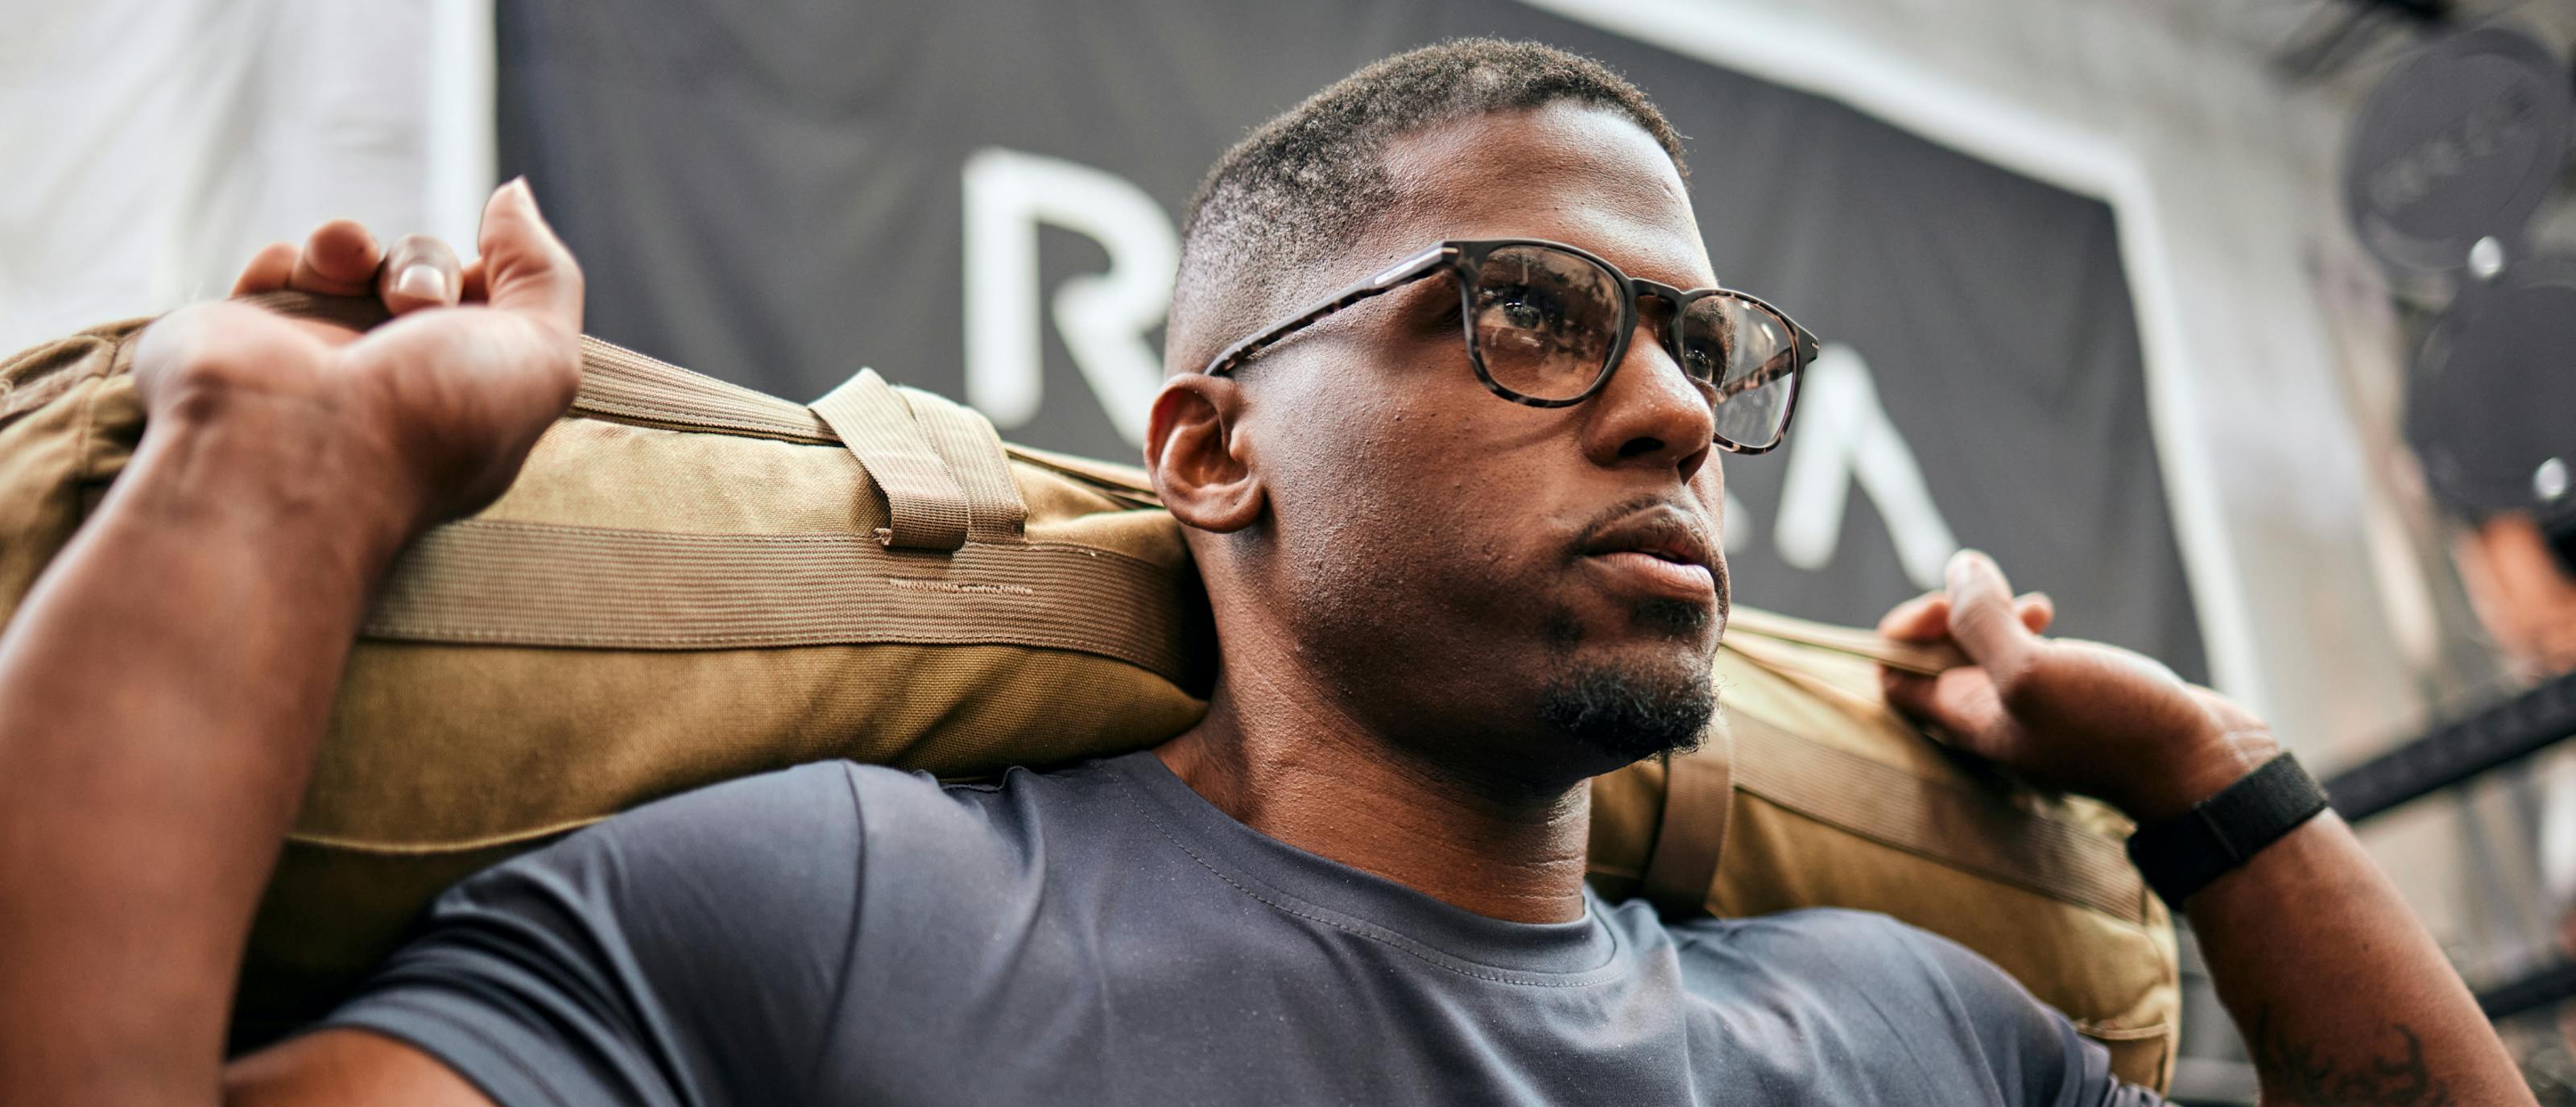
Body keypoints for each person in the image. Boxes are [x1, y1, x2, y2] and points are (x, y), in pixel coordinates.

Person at [0, 39, 2528, 1107]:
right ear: (1211, 448)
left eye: (1700, 346)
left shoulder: (1903, 1030)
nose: (1668, 409)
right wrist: (277, 458)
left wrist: (2211, 777)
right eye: (1525, 313)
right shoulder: (834, 916)